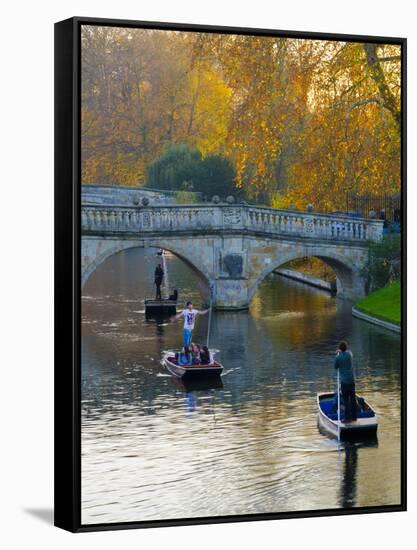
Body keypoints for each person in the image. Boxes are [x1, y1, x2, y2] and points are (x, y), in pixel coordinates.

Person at [334, 341, 357, 422]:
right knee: (353, 399)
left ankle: (347, 418)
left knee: (346, 400)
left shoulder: (338, 358)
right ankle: (354, 417)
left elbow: (335, 367)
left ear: (340, 349)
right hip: (352, 380)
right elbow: (348, 352)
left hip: (344, 382)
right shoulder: (350, 355)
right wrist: (341, 352)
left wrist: (338, 354)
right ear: (346, 348)